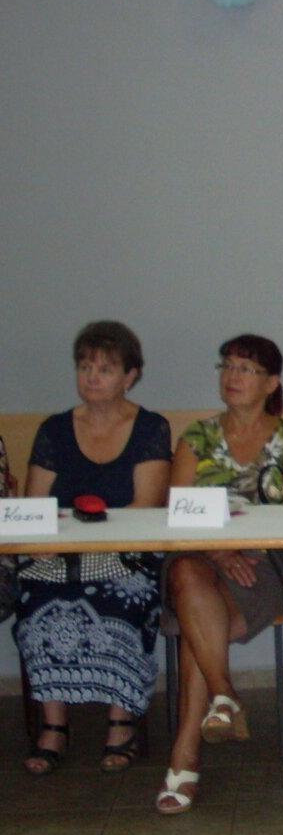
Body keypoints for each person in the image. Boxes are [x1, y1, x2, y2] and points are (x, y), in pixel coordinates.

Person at [156, 334, 283, 815]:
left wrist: (238, 552)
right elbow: (179, 514)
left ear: (271, 383)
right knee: (188, 574)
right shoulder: (196, 437)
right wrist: (219, 551)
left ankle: (188, 751)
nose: (232, 376)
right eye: (226, 366)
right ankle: (221, 698)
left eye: (246, 369)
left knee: (195, 619)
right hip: (199, 554)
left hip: (264, 564)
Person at [14, 321, 171, 774]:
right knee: (36, 599)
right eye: (85, 367)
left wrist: (92, 543)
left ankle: (121, 721)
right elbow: (36, 505)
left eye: (104, 369)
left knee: (123, 600)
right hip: (59, 555)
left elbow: (145, 507)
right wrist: (43, 542)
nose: (92, 377)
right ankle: (53, 726)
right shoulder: (54, 429)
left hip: (126, 554)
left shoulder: (151, 427)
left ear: (130, 376)